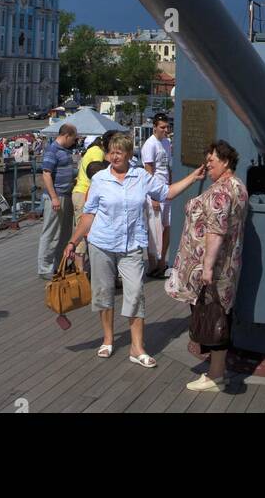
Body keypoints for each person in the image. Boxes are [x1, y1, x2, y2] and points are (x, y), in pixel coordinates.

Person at [66, 134, 202, 368]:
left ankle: (137, 347)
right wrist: (72, 243)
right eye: (111, 152)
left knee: (136, 292)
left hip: (131, 245)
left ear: (129, 154)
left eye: (119, 152)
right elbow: (89, 215)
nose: (114, 156)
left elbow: (166, 193)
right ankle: (108, 339)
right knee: (104, 292)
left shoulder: (140, 176)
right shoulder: (99, 179)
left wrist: (192, 177)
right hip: (102, 243)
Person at [165, 139, 249, 392]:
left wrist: (208, 268)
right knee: (219, 317)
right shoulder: (238, 187)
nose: (207, 165)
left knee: (213, 318)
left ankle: (215, 376)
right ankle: (216, 370)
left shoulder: (221, 191)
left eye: (211, 160)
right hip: (228, 266)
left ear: (225, 161)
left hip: (210, 270)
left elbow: (215, 230)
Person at [38, 123, 78, 280]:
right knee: (51, 232)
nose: (74, 142)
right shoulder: (52, 150)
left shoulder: (65, 151)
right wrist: (54, 197)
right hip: (57, 196)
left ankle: (59, 264)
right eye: (73, 138)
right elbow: (46, 174)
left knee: (65, 232)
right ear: (66, 135)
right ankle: (44, 268)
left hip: (66, 194)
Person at [141, 113, 173, 277]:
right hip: (155, 191)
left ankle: (162, 262)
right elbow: (149, 171)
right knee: (154, 229)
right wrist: (153, 196)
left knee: (167, 226)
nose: (165, 130)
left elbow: (167, 166)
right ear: (155, 127)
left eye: (167, 127)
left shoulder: (167, 142)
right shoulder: (150, 144)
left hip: (166, 189)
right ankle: (153, 264)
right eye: (162, 127)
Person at [72, 131, 106, 269]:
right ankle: (80, 273)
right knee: (83, 232)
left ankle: (81, 269)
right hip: (84, 193)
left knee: (82, 230)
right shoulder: (97, 152)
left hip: (80, 192)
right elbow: (96, 174)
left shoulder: (90, 151)